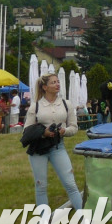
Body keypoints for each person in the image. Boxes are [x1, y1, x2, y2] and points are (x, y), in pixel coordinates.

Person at [23, 73, 84, 211]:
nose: (57, 84)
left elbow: (74, 127)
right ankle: (44, 221)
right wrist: (43, 132)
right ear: (44, 87)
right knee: (41, 185)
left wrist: (64, 131)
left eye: (58, 82)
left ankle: (85, 218)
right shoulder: (36, 106)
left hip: (58, 147)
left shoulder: (66, 104)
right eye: (53, 82)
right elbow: (26, 131)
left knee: (71, 184)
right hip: (38, 149)